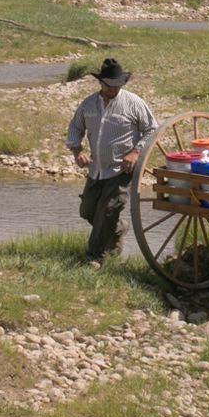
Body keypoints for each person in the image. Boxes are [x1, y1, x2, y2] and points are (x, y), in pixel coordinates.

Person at [67, 58, 158, 265]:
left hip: (121, 171)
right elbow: (75, 128)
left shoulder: (134, 103)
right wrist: (77, 151)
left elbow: (152, 129)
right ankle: (119, 229)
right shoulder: (88, 104)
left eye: (117, 85)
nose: (113, 90)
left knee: (107, 211)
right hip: (96, 169)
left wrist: (135, 153)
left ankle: (93, 258)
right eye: (109, 86)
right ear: (101, 83)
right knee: (88, 211)